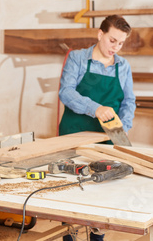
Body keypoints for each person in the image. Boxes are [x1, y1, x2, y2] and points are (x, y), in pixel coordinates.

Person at [58, 15, 136, 241]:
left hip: (107, 138)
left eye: (121, 43)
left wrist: (123, 127)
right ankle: (69, 235)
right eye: (112, 40)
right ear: (100, 34)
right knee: (71, 188)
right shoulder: (78, 58)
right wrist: (95, 108)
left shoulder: (123, 65)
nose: (116, 47)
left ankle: (97, 236)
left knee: (104, 191)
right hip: (74, 133)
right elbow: (66, 92)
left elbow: (129, 101)